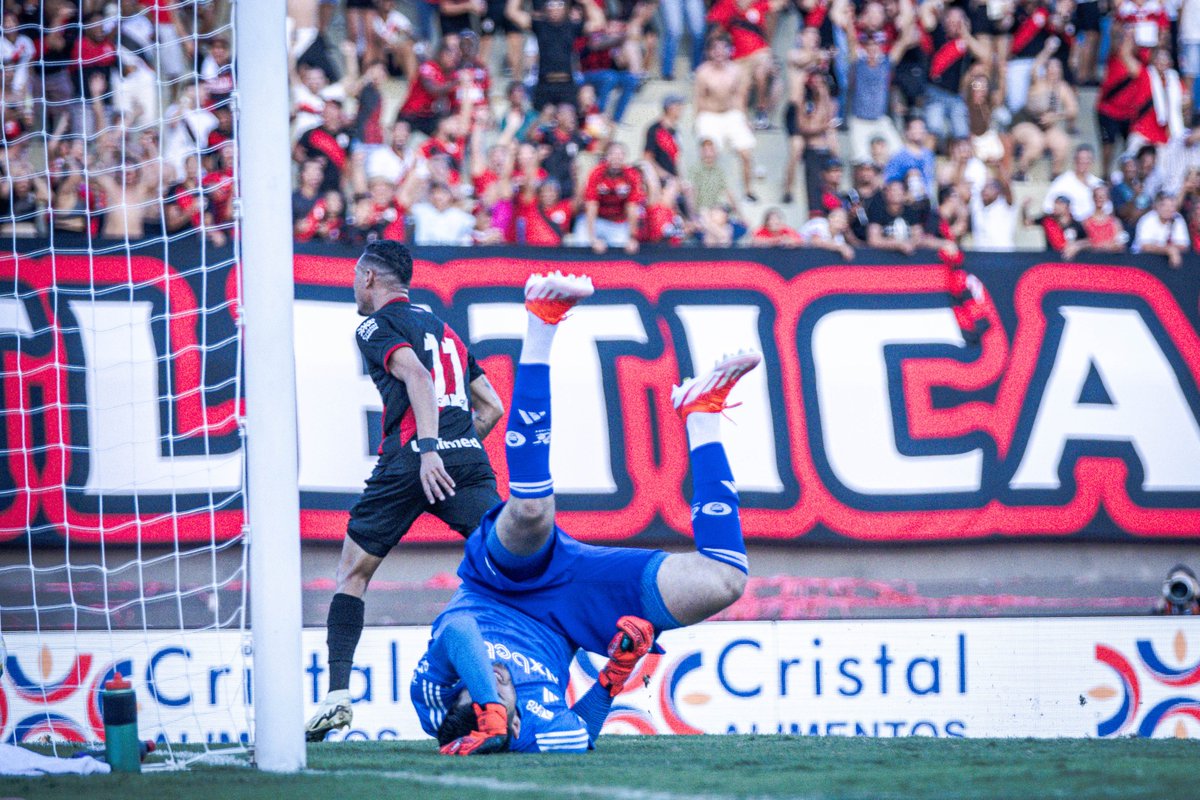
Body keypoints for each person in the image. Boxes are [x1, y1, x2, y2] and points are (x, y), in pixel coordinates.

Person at [410, 272, 756, 754]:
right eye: (502, 697)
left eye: (483, 690)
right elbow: (579, 733)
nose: (497, 678)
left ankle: (542, 321)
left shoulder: (436, 704)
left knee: (530, 510)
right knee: (725, 581)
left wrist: (489, 704)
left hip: (499, 585)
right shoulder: (538, 732)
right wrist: (615, 674)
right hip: (569, 614)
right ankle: (702, 415)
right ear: (514, 726)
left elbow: (458, 631)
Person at [306, 241, 505, 742]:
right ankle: (525, 682)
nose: (354, 288)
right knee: (510, 562)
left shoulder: (375, 326)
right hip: (466, 461)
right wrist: (456, 447)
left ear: (369, 278)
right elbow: (491, 406)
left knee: (353, 573)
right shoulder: (444, 329)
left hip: (411, 460)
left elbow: (415, 374)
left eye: (356, 278)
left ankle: (337, 697)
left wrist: (430, 449)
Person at [693, 34, 757, 202]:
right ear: (710, 52)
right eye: (715, 49)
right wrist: (697, 120)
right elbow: (698, 98)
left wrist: (744, 118)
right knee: (709, 152)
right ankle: (708, 192)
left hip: (731, 113)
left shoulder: (736, 70)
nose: (719, 52)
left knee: (746, 152)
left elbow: (739, 97)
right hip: (710, 114)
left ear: (729, 50)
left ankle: (748, 190)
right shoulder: (703, 72)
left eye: (723, 48)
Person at [1041, 144, 1102, 222]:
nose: (1082, 162)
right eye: (1080, 159)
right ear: (1075, 160)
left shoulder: (1098, 183)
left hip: (1095, 224)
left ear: (1092, 161)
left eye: (1086, 159)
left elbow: (1107, 209)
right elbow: (1048, 206)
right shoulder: (1062, 181)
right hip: (1072, 225)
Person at [1132, 191, 1189, 267]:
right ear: (1157, 207)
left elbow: (1184, 245)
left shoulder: (1178, 218)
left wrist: (1170, 249)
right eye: (1165, 205)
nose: (1169, 209)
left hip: (1166, 262)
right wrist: (1168, 249)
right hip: (1141, 260)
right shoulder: (1147, 219)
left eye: (1172, 206)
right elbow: (1144, 246)